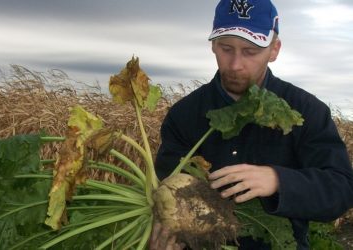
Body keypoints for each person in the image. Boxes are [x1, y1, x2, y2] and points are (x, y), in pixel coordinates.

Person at [151, 0, 353, 249]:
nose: (235, 65)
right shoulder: (184, 114)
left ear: (274, 50)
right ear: (213, 45)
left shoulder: (306, 111)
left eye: (250, 52)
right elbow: (166, 189)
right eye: (226, 48)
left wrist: (278, 180)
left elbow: (341, 190)